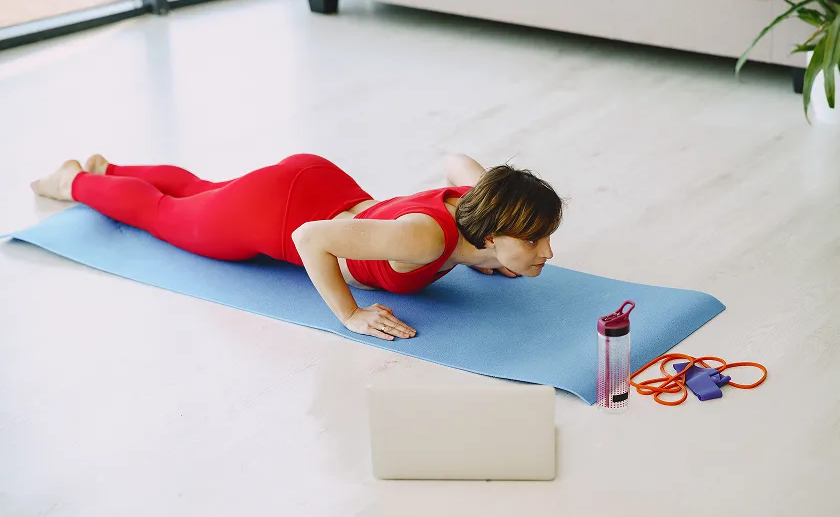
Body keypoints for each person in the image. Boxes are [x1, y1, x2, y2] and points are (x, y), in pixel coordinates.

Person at [30, 153, 565, 341]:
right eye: (534, 239)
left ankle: (110, 169)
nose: (545, 251)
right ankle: (72, 181)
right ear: (493, 231)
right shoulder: (423, 238)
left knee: (199, 190)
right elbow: (308, 239)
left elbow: (456, 159)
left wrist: (493, 259)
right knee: (166, 214)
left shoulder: (477, 203)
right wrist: (350, 313)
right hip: (281, 214)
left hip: (321, 184)